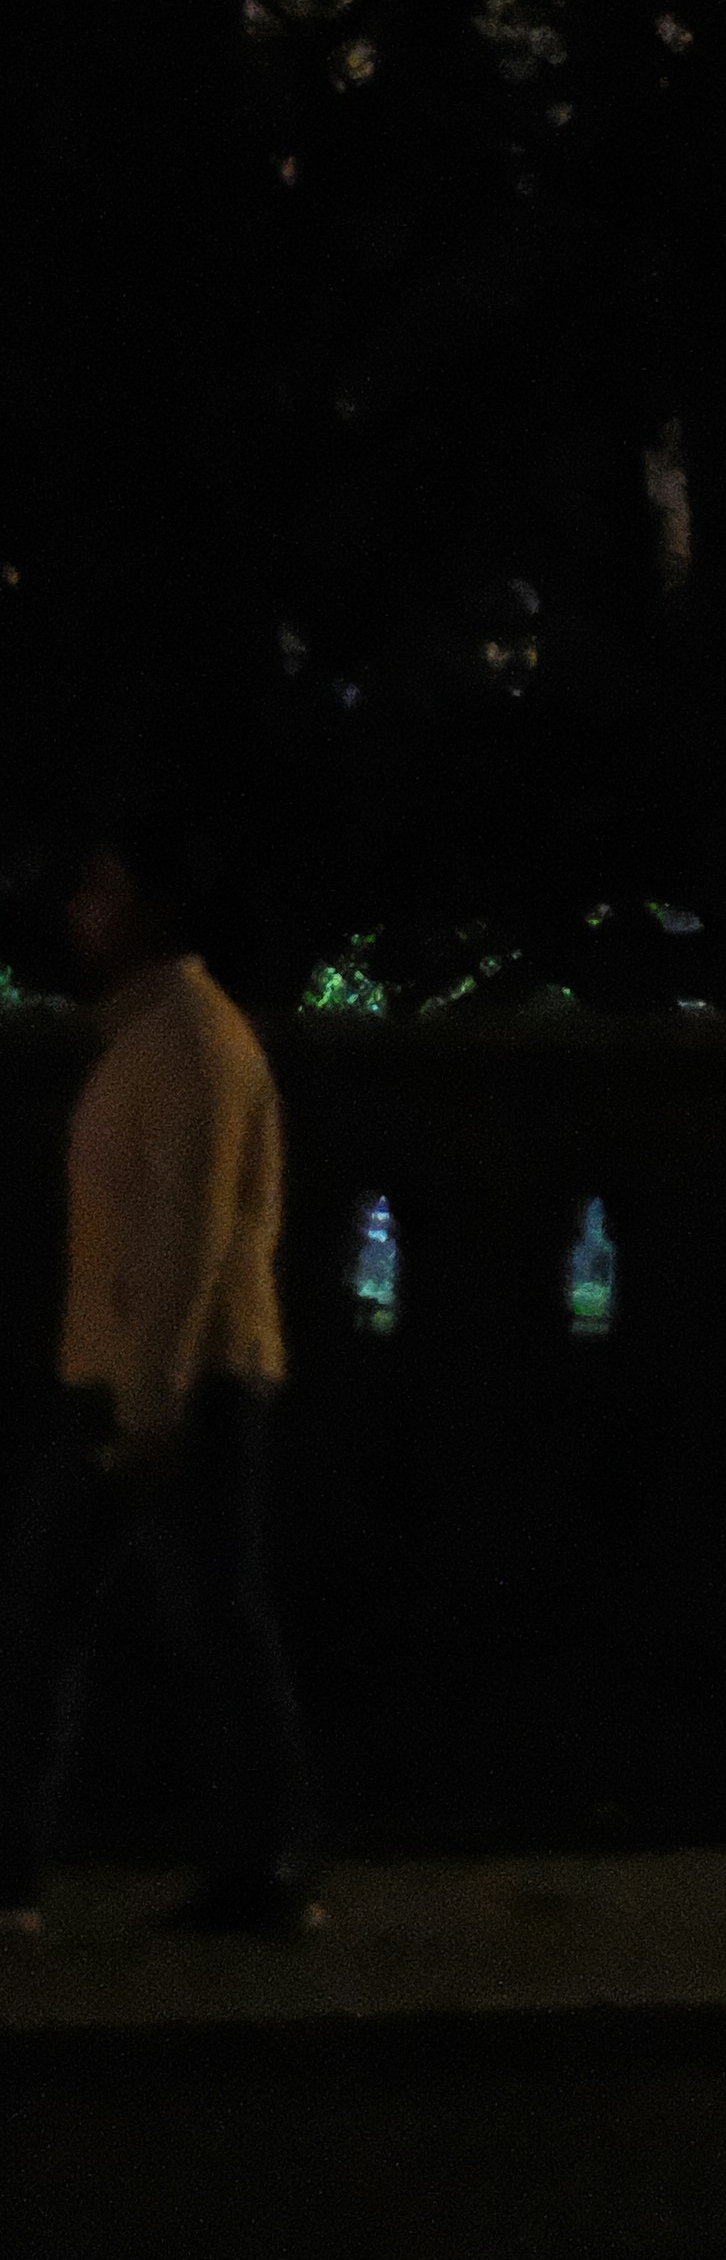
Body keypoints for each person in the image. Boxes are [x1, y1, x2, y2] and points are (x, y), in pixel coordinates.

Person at [0, 812, 318, 1943]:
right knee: (148, 1617)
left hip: (173, 1381)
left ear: (145, 906)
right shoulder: (163, 1036)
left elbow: (188, 1233)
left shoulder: (185, 1041)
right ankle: (256, 1859)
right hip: (160, 1375)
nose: (78, 909)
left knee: (157, 1617)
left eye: (99, 887)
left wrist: (150, 1397)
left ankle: (260, 1858)